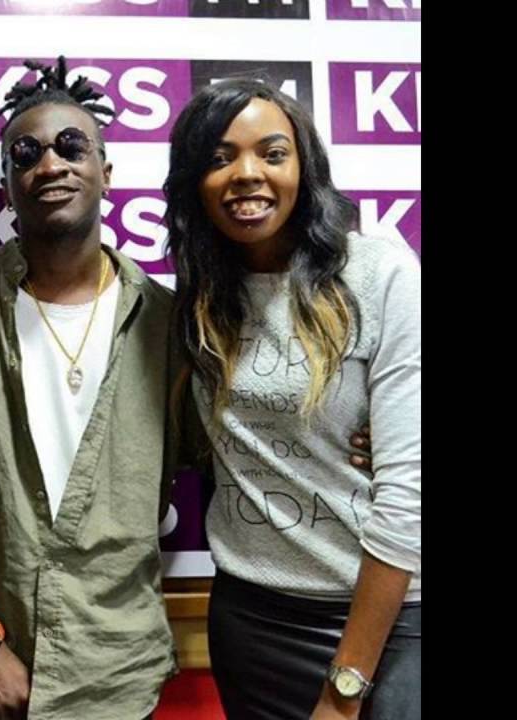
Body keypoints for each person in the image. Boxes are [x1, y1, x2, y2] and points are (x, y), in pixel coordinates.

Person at [0, 56, 183, 720]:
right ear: (7, 186)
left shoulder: (167, 321)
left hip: (114, 670)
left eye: (71, 146)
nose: (50, 165)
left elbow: (232, 443)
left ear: (106, 171)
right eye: (26, 155)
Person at [163, 78, 421, 720]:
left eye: (272, 153)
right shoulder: (200, 299)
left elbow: (409, 490)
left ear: (305, 168)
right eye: (219, 158)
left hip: (387, 618)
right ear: (195, 183)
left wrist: (345, 687)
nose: (247, 174)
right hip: (253, 619)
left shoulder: (380, 274)